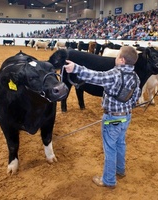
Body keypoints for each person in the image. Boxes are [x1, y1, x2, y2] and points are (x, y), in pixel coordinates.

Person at [64, 46, 141, 188]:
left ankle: (109, 180)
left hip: (113, 118)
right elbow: (136, 97)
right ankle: (120, 170)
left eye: (117, 56)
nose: (116, 58)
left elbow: (96, 77)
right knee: (120, 143)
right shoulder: (135, 77)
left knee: (110, 148)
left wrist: (76, 68)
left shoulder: (115, 74)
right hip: (126, 116)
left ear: (122, 60)